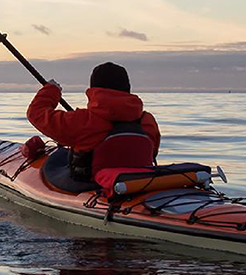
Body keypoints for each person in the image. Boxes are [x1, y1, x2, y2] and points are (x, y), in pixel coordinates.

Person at [27, 62, 161, 188]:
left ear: (93, 89)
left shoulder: (83, 121)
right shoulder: (147, 121)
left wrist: (51, 90)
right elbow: (152, 153)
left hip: (90, 185)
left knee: (58, 156)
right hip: (139, 184)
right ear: (127, 88)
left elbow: (36, 113)